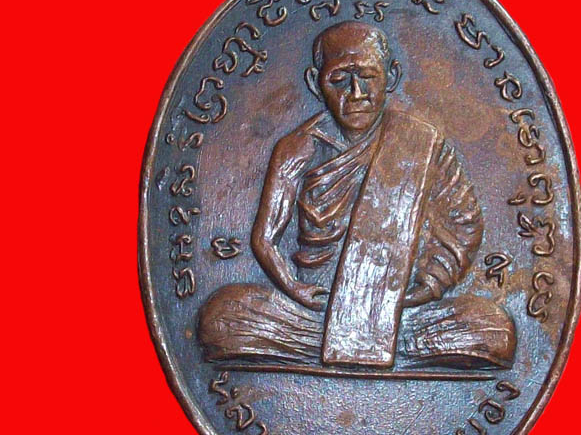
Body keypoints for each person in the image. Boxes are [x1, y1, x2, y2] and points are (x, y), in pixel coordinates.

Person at [199, 21, 515, 369]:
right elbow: (265, 237)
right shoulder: (298, 147)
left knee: (493, 330)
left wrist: (428, 286)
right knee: (222, 318)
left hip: (398, 312)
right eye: (339, 80)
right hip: (314, 314)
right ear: (315, 83)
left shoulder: (423, 143)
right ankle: (366, 346)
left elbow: (462, 223)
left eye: (368, 77)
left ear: (391, 77)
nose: (356, 93)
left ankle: (368, 343)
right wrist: (294, 287)